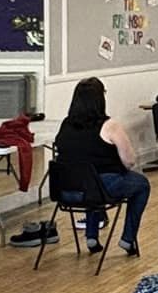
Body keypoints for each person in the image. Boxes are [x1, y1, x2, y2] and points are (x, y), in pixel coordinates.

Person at [51, 76, 149, 257]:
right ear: (100, 99)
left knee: (88, 180)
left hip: (65, 190)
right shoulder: (110, 126)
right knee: (142, 184)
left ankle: (92, 236)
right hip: (98, 188)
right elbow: (129, 161)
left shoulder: (66, 124)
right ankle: (128, 239)